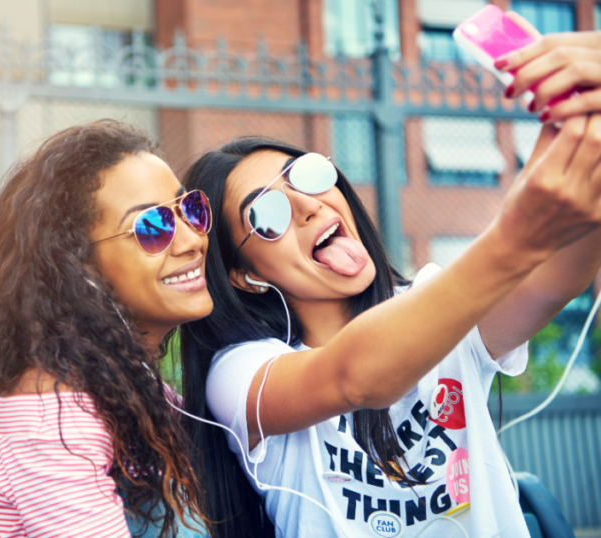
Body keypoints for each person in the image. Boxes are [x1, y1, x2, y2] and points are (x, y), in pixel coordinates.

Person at [179, 46, 601, 537]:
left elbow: (553, 280)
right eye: (266, 215)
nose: (308, 206)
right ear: (245, 275)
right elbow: (354, 378)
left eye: (307, 176)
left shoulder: (435, 305)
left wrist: (588, 153)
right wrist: (517, 233)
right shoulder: (239, 375)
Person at [0, 119, 212, 538]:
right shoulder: (49, 412)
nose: (191, 240)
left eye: (190, 209)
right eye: (153, 227)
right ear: (79, 269)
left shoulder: (132, 392)